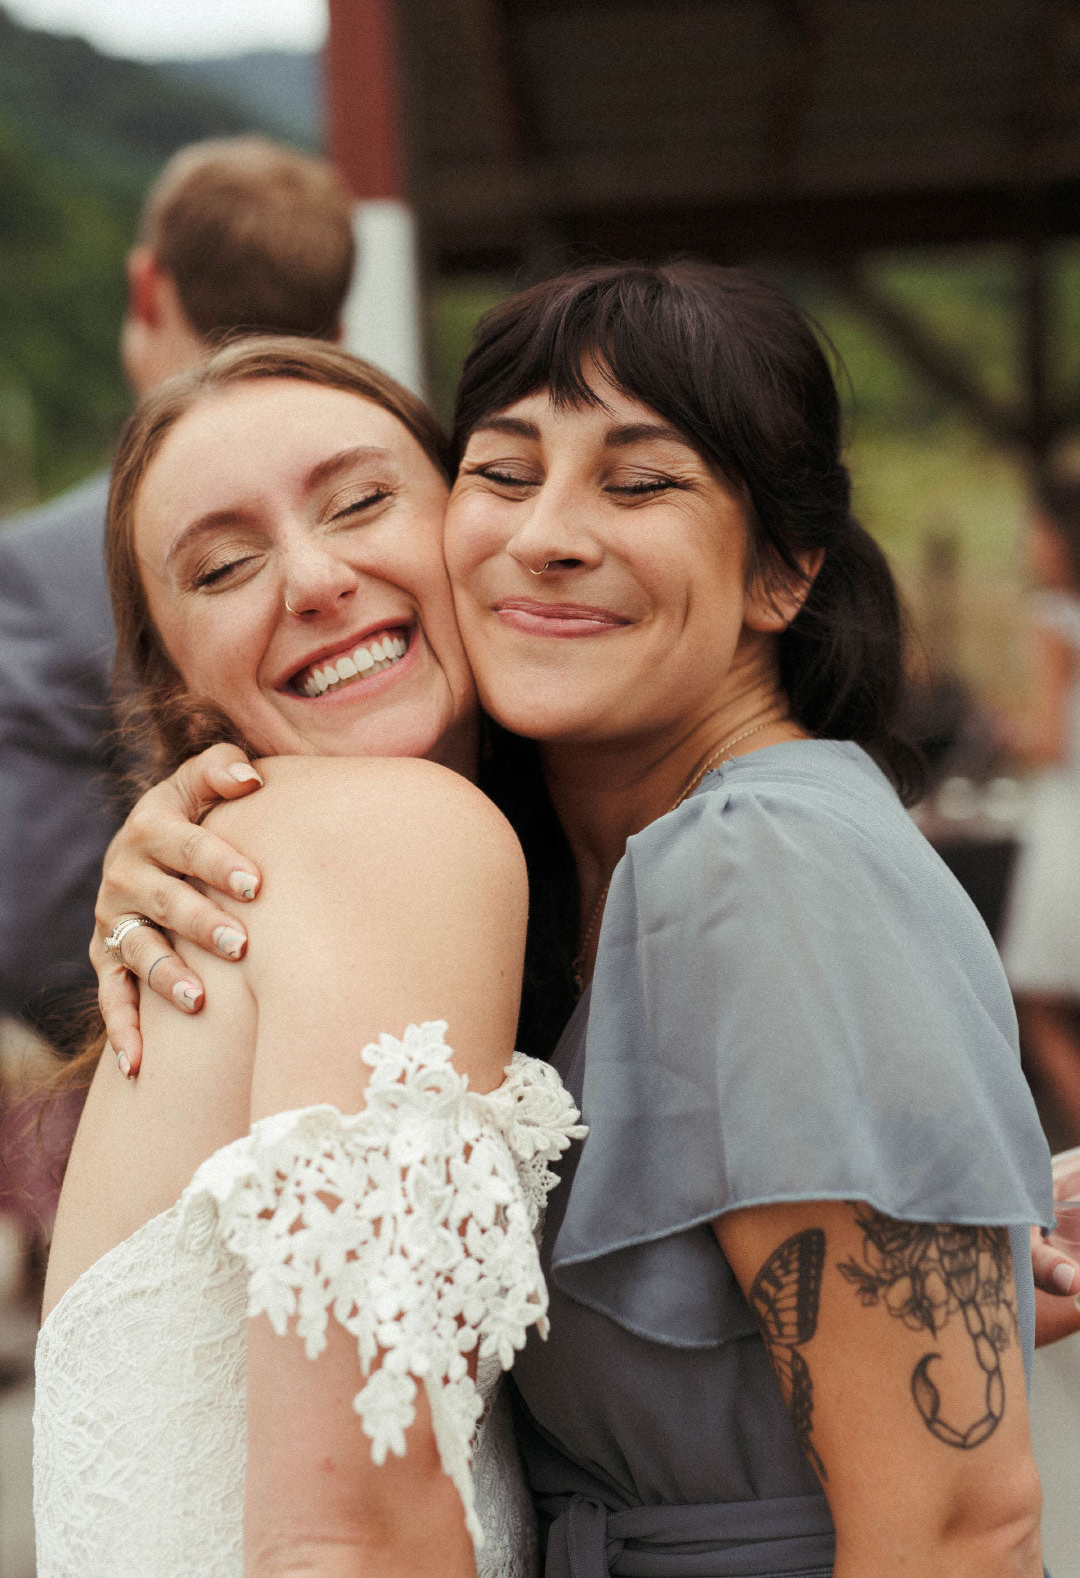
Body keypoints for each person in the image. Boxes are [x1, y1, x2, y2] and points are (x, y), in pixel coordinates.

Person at [93, 265, 1056, 1575]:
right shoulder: (543, 898)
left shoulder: (755, 861)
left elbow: (959, 1527)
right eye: (503, 473)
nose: (547, 533)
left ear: (782, 573)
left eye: (641, 480)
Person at [34, 337, 583, 1577]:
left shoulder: (383, 872)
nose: (318, 578)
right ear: (178, 690)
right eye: (225, 566)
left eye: (362, 502)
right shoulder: (391, 834)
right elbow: (349, 1538)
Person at [0, 135, 355, 1038]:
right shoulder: (431, 502)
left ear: (146, 287)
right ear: (340, 325)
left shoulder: (41, 570)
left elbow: (37, 926)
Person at [1000, 479, 1080, 1141]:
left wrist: (1006, 730)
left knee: (1035, 1001)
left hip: (1066, 825)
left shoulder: (1054, 617)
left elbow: (1049, 741)